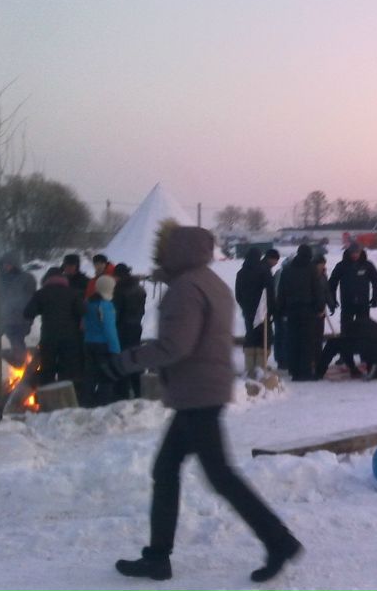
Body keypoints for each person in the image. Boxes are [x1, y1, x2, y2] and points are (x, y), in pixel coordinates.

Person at [106, 226, 302, 583]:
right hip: (202, 391)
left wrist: (123, 362)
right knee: (168, 470)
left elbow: (175, 346)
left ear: (177, 252)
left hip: (197, 394)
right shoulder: (209, 281)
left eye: (162, 250)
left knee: (219, 476)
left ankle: (279, 541)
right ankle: (158, 557)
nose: (157, 256)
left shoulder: (186, 288)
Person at [0, 252, 38, 398]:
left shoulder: (27, 279)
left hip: (16, 323)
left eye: (9, 264)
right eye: (4, 264)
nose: (6, 267)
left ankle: (25, 387)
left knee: (20, 355)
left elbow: (31, 302)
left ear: (15, 264)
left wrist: (27, 322)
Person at [23, 266, 85, 389]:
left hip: (48, 338)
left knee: (47, 370)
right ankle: (67, 400)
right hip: (70, 339)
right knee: (67, 371)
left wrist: (42, 308)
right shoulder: (73, 293)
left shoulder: (41, 294)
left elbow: (28, 313)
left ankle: (47, 401)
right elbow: (83, 311)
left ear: (47, 279)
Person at [274, 245, 326, 381]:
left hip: (291, 311)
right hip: (307, 311)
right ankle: (305, 372)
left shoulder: (287, 270)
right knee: (306, 342)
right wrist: (320, 308)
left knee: (292, 341)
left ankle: (294, 371)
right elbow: (317, 291)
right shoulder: (311, 270)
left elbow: (281, 293)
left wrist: (279, 310)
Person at [81, 274, 120, 407]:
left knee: (90, 376)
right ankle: (103, 404)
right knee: (107, 376)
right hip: (103, 345)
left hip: (88, 343)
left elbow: (84, 324)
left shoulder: (88, 302)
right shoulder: (106, 305)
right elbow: (110, 329)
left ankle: (86, 403)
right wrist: (116, 349)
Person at [327, 242, 377, 332]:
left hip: (363, 303)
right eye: (352, 253)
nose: (355, 255)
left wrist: (375, 298)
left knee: (363, 328)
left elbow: (376, 281)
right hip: (347, 303)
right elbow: (332, 283)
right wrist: (333, 298)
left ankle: (362, 345)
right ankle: (346, 345)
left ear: (360, 252)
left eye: (357, 253)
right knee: (346, 328)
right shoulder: (342, 266)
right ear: (349, 253)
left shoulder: (367, 265)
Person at [113, 263, 147, 399]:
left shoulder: (120, 290)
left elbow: (117, 312)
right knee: (135, 357)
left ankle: (123, 392)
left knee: (123, 358)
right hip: (136, 326)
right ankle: (138, 389)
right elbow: (142, 310)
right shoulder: (139, 288)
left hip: (122, 329)